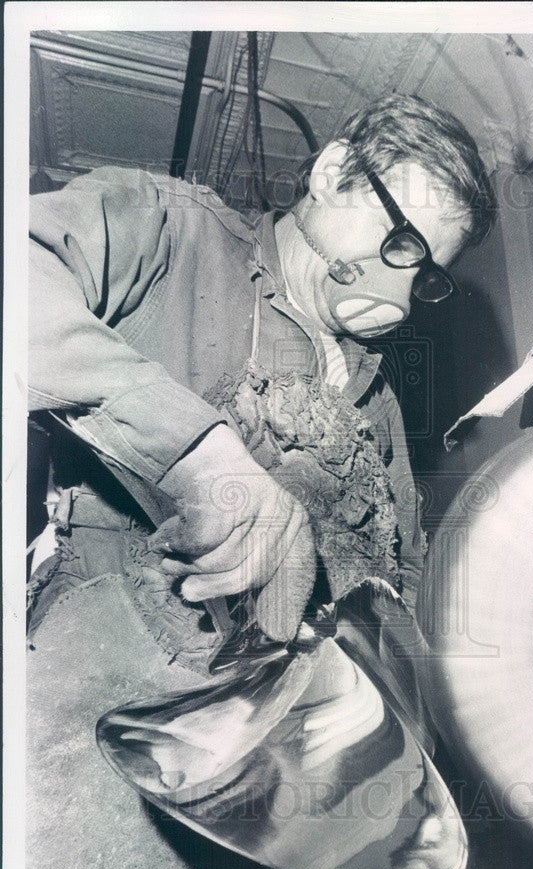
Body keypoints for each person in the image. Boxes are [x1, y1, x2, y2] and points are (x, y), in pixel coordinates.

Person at [27, 92, 496, 671]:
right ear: (331, 174)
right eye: (400, 243)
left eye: (425, 274)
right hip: (99, 673)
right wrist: (200, 458)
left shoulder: (379, 401)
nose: (400, 296)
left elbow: (406, 571)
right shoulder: (175, 230)